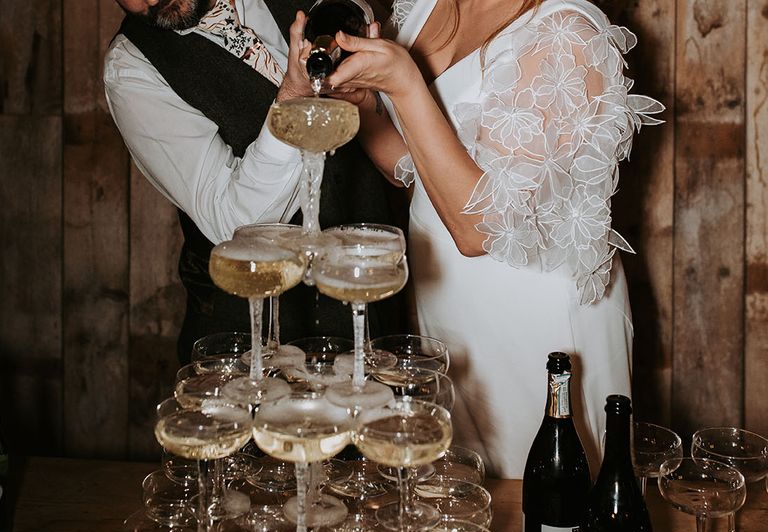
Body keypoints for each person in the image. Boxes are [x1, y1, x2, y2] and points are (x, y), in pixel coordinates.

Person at [319, 0, 663, 477]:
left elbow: (480, 227)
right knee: (465, 507)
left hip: (537, 327)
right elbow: (413, 169)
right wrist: (367, 109)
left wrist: (404, 84)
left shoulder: (567, 32)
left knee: (546, 506)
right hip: (451, 313)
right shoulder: (424, 9)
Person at [104, 0, 407, 363]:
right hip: (252, 349)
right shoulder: (131, 66)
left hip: (371, 309)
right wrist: (292, 101)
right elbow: (235, 223)